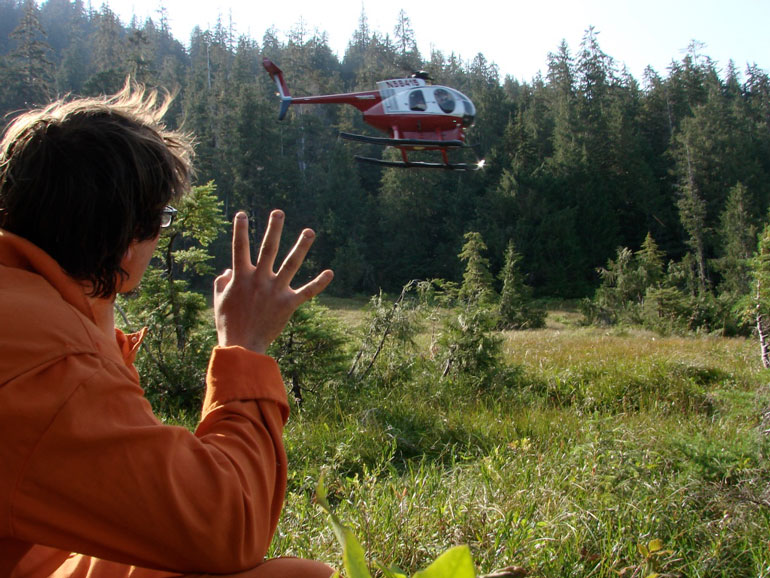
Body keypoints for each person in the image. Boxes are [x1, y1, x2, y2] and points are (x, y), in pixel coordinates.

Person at [0, 83, 335, 578]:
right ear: (127, 239)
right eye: (161, 218)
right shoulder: (54, 366)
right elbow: (226, 523)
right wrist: (245, 345)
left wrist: (97, 302)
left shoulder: (27, 317)